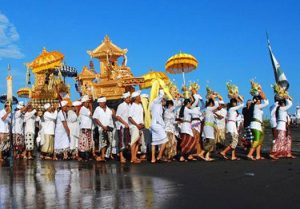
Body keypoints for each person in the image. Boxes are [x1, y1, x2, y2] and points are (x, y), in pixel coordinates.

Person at [247, 93, 269, 160]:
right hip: (256, 125)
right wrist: (261, 91)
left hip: (258, 125)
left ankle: (258, 155)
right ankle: (249, 154)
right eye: (257, 99)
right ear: (255, 100)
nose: (259, 100)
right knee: (256, 140)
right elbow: (267, 103)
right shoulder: (256, 106)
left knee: (260, 141)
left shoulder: (257, 106)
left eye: (259, 99)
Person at [93, 96, 114, 161]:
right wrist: (102, 126)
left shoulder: (110, 110)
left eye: (101, 103)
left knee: (110, 142)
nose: (99, 104)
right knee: (103, 142)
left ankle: (107, 155)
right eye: (99, 103)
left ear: (104, 102)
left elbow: (112, 118)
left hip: (109, 127)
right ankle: (102, 156)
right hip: (102, 128)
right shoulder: (97, 109)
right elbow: (95, 119)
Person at [150, 90, 168, 163]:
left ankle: (153, 158)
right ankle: (159, 156)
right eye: (164, 100)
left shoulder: (157, 105)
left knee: (154, 142)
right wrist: (161, 88)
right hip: (157, 124)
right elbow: (161, 95)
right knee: (165, 140)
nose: (165, 102)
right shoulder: (156, 102)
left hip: (154, 124)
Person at [202, 94, 221, 161]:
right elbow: (216, 105)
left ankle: (207, 157)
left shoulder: (209, 110)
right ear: (210, 103)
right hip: (208, 127)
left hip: (210, 127)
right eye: (212, 104)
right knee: (211, 142)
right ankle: (202, 153)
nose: (213, 106)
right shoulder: (208, 108)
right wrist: (213, 98)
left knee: (210, 142)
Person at [128, 91, 145, 163]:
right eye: (139, 96)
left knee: (138, 142)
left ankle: (135, 157)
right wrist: (136, 125)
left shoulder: (140, 105)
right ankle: (132, 158)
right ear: (136, 98)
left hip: (140, 126)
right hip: (134, 126)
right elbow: (130, 117)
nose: (140, 98)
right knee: (134, 142)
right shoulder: (133, 106)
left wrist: (142, 124)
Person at [116, 92, 131, 163]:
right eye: (127, 97)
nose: (128, 99)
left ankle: (126, 156)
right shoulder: (121, 106)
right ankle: (121, 157)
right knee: (121, 142)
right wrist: (124, 123)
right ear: (124, 98)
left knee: (127, 142)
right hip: (122, 126)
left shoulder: (130, 105)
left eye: (129, 97)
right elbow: (118, 116)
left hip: (128, 126)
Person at [78, 95, 94, 160]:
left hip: (88, 128)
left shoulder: (86, 109)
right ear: (83, 103)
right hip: (85, 128)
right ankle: (84, 156)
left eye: (88, 102)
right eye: (87, 102)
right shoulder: (83, 109)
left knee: (88, 142)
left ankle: (87, 156)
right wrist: (91, 107)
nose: (88, 103)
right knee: (84, 142)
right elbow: (91, 114)